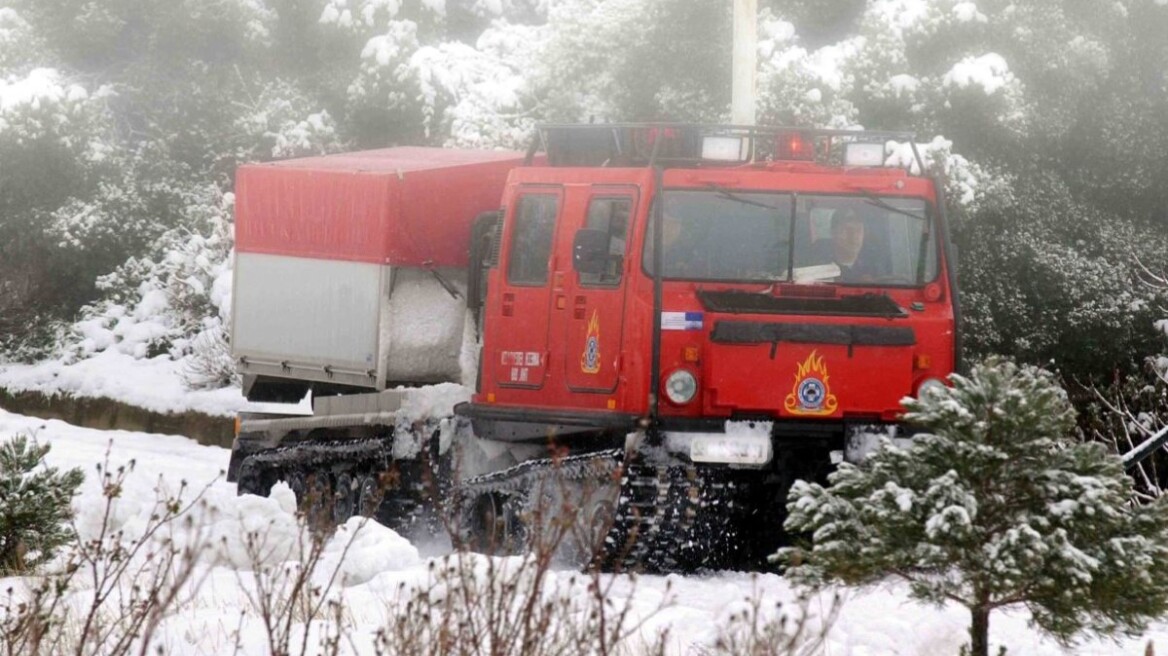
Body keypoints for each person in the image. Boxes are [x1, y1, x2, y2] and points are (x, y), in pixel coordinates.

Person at [810, 209, 875, 281]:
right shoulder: (816, 268)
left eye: (859, 230)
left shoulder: (875, 268)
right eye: (847, 229)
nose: (854, 236)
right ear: (833, 233)